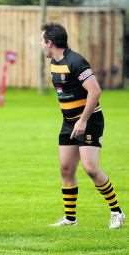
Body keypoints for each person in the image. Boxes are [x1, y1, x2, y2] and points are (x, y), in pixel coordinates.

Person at [41, 23, 125, 229]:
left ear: (50, 43)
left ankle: (117, 212)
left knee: (91, 168)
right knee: (66, 168)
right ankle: (70, 218)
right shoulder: (54, 62)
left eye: (42, 41)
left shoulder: (76, 61)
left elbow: (95, 91)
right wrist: (72, 117)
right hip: (69, 122)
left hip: (90, 120)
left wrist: (83, 119)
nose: (41, 45)